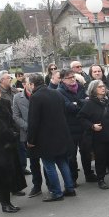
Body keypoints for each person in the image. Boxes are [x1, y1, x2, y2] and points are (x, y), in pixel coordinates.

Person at [25, 73, 76, 202]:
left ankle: (57, 192)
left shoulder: (36, 97)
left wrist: (30, 140)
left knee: (49, 165)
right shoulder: (56, 93)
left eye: (28, 83)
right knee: (62, 162)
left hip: (45, 139)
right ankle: (70, 188)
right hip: (61, 135)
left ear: (32, 84)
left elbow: (33, 121)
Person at [0, 90, 26, 212]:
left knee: (7, 176)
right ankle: (5, 204)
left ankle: (8, 202)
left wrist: (12, 133)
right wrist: (10, 134)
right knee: (0, 178)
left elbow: (10, 124)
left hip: (6, 149)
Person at [77, 80, 109, 189]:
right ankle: (101, 179)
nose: (103, 88)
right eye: (100, 87)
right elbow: (81, 118)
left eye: (103, 86)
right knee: (101, 158)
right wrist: (92, 126)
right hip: (99, 137)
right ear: (93, 90)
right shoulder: (90, 103)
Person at [58, 68, 95, 183]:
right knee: (71, 156)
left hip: (83, 125)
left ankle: (89, 175)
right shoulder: (60, 91)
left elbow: (88, 103)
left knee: (86, 152)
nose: (72, 79)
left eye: (73, 76)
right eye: (69, 78)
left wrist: (78, 103)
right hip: (70, 127)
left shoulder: (81, 87)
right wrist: (82, 102)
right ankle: (73, 179)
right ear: (63, 80)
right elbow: (69, 107)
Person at [12, 77, 45, 197]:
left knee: (47, 161)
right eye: (26, 83)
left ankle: (52, 185)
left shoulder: (41, 95)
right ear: (24, 84)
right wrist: (28, 127)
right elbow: (16, 116)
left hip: (43, 134)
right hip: (27, 134)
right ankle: (37, 186)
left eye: (30, 83)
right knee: (34, 162)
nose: (29, 85)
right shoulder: (17, 97)